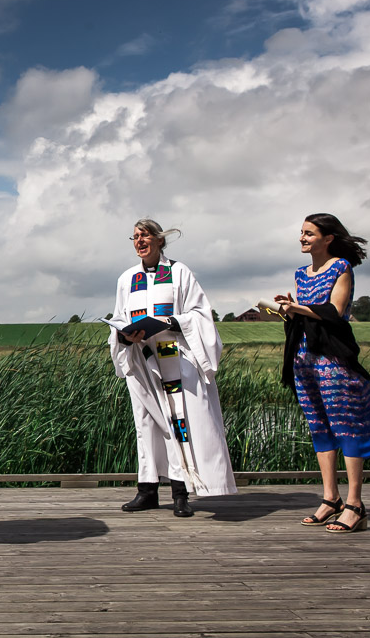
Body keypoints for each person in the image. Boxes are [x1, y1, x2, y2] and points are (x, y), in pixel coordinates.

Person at [275, 213, 370, 533]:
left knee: (347, 425)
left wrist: (299, 309)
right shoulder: (301, 274)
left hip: (332, 358)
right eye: (301, 232)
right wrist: (289, 310)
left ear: (328, 238)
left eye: (309, 233)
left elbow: (335, 312)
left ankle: (355, 504)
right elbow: (305, 316)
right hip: (303, 358)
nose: (302, 238)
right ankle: (331, 499)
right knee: (319, 425)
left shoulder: (340, 267)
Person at [108, 219, 237, 517]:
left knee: (179, 421)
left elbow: (201, 314)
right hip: (142, 359)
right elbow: (119, 316)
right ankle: (147, 490)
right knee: (146, 424)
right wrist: (124, 336)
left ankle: (181, 492)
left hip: (173, 355)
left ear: (160, 240)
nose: (140, 241)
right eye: (136, 236)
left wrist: (172, 322)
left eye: (146, 235)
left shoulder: (179, 272)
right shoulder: (127, 279)